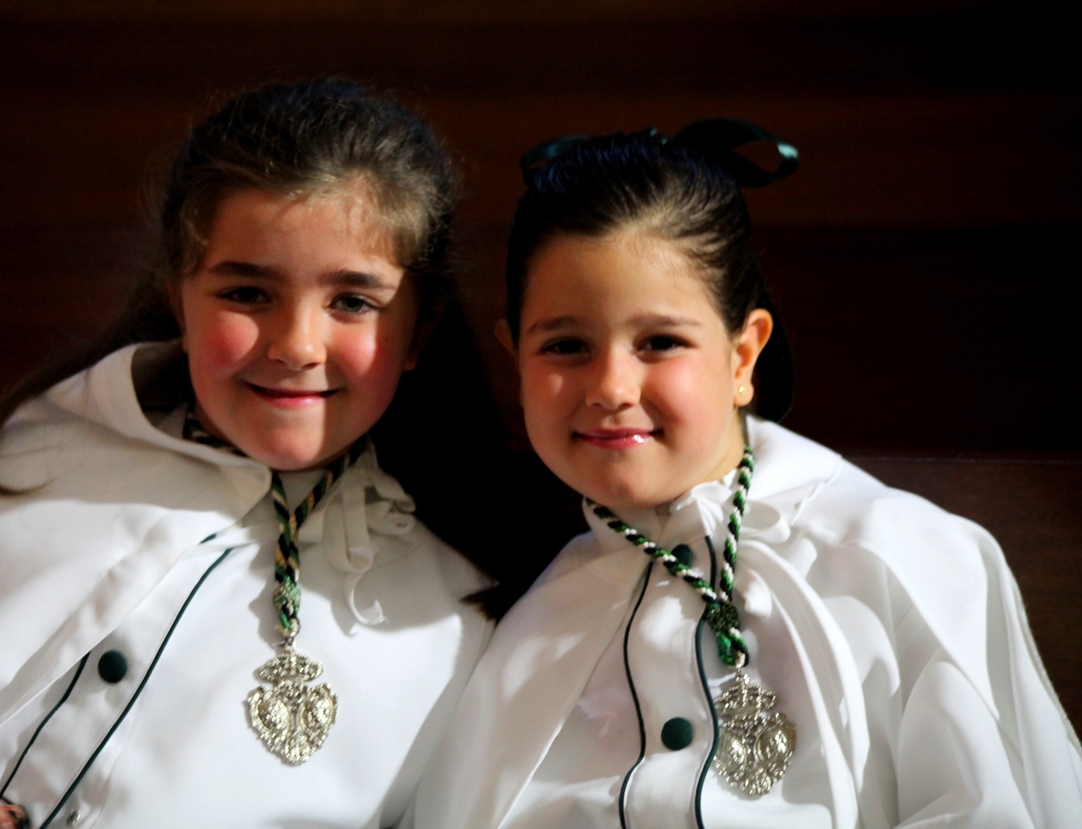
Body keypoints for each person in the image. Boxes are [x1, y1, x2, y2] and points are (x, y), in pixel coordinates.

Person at [0, 78, 496, 828]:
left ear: (420, 330)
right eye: (248, 293)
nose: (296, 346)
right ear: (178, 296)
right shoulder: (44, 455)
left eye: (352, 301)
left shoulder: (458, 622)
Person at [412, 123, 1082, 828]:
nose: (610, 385)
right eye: (566, 345)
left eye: (660, 342)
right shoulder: (522, 627)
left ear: (742, 355)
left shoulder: (900, 559)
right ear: (515, 356)